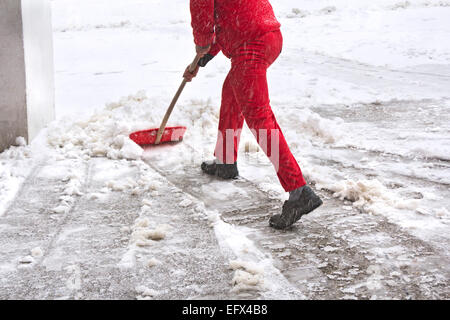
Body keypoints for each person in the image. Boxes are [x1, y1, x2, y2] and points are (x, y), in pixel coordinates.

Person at [184, 0, 322, 229]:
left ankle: (299, 192)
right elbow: (230, 15)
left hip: (250, 43)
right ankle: (226, 160)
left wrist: (202, 47)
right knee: (232, 92)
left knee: (260, 119)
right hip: (267, 35)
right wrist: (203, 57)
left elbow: (203, 17)